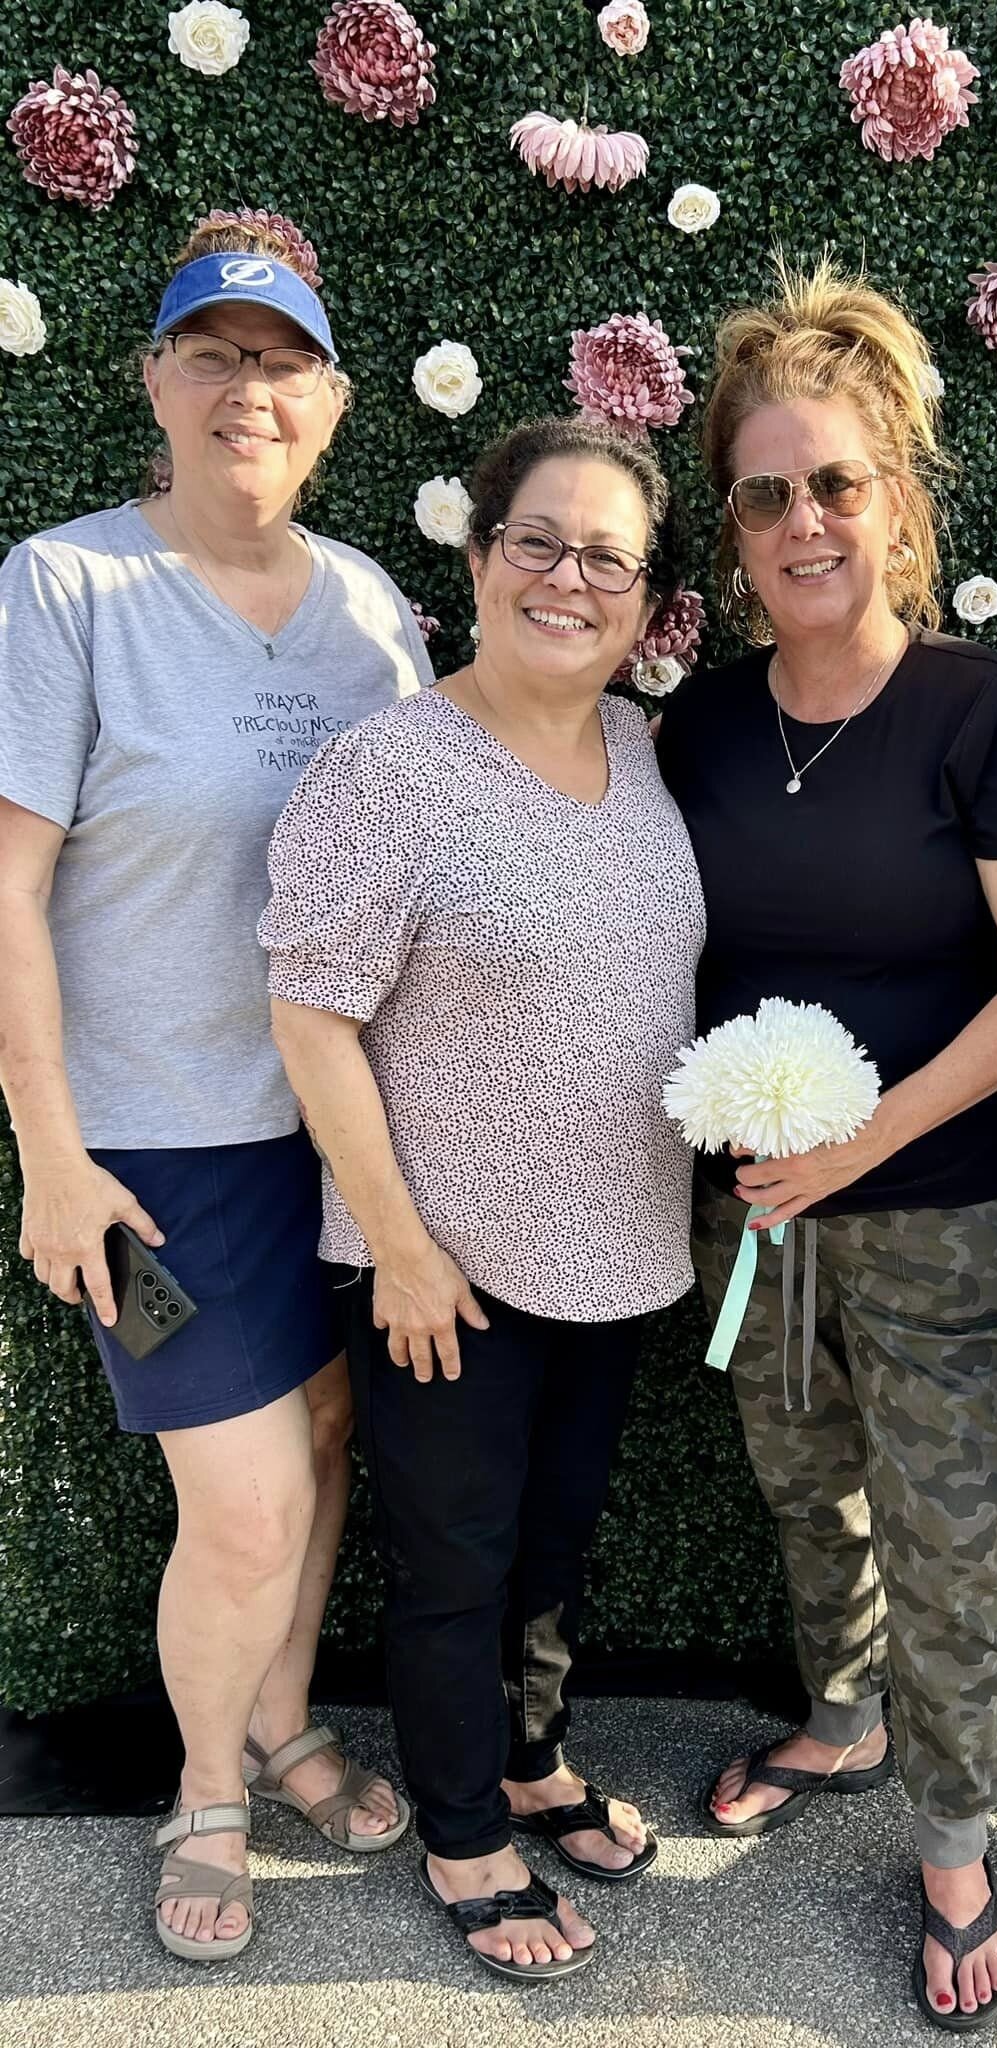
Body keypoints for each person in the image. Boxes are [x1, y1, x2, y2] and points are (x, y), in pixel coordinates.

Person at [654, 258, 997, 2030]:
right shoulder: (692, 726)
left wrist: (860, 1145)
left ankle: (958, 1846)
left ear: (896, 497)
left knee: (942, 1522)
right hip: (753, 1214)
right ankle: (843, 1725)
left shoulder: (978, 712)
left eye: (835, 480)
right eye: (764, 492)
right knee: (796, 1479)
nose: (800, 519)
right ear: (737, 529)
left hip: (936, 1211)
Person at [0, 220, 426, 1962]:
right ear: (158, 384)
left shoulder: (373, 613)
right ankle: (208, 1786)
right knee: (243, 1499)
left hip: (341, 1133)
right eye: (213, 354)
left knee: (323, 1446)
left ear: (328, 406)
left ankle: (283, 1712)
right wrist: (48, 1153)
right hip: (157, 1150)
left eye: (282, 362)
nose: (248, 389)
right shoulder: (64, 587)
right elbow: (7, 893)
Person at [260, 418, 705, 1983]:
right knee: (454, 1562)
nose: (566, 578)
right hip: (440, 1262)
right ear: (477, 559)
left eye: (607, 557)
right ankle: (464, 1834)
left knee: (554, 1545)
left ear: (645, 605)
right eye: (539, 541)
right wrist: (396, 1245)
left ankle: (532, 1762)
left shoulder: (647, 752)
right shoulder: (390, 768)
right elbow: (310, 1013)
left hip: (615, 1250)